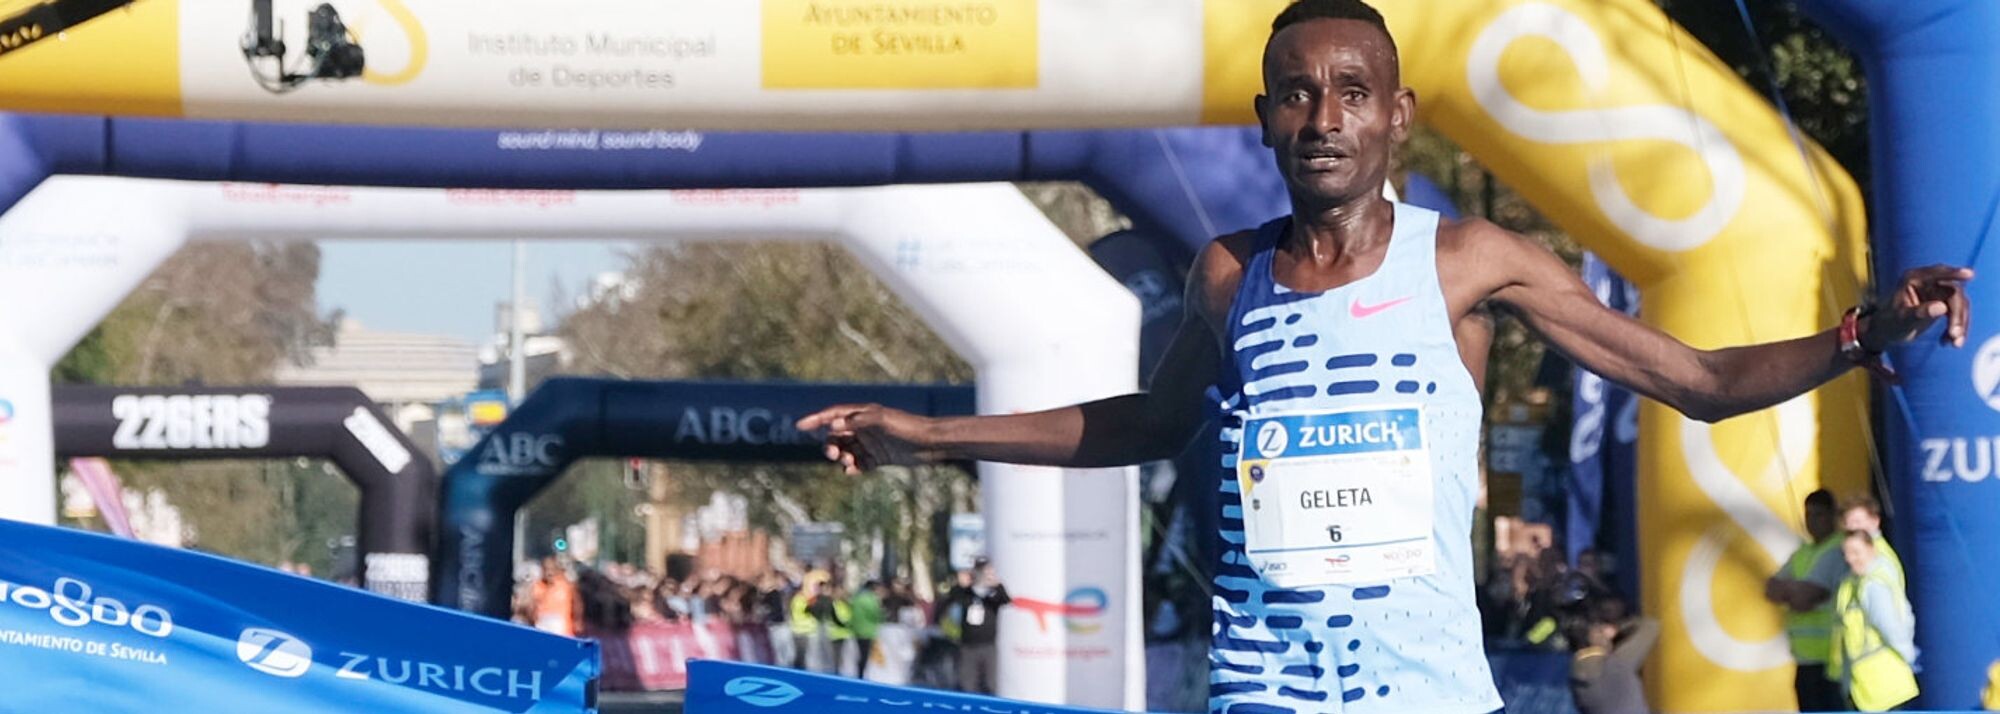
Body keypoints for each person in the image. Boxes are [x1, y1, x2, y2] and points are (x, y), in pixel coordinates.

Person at [796, 0, 1974, 709]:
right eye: (1296, 96)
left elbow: (1700, 385)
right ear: (1263, 117)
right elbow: (1146, 424)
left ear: (1396, 115)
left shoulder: (1468, 263)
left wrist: (1860, 333)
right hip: (1262, 692)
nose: (1323, 118)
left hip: (1425, 698)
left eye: (1351, 93)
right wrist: (925, 437)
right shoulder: (1226, 273)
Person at [1766, 489, 1848, 711]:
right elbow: (1770, 588)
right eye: (1808, 515)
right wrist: (1796, 591)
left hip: (1831, 659)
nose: (1812, 521)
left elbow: (1805, 596)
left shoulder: (1838, 549)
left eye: (1818, 515)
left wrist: (1791, 591)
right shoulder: (1803, 552)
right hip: (1804, 659)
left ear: (1832, 516)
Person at [1829, 530, 1920, 712]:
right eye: (1846, 553)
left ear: (1872, 549)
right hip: (1864, 688)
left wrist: (1909, 656)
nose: (1850, 559)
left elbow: (1891, 627)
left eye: (1856, 552)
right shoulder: (1850, 584)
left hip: (1885, 684)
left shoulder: (1874, 585)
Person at [1568, 612, 1661, 714]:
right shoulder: (1615, 665)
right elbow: (1650, 626)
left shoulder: (1576, 677)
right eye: (1599, 630)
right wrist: (1617, 628)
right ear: (1593, 639)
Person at [941, 560, 1010, 695]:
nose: (983, 575)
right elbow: (951, 598)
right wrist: (962, 583)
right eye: (980, 571)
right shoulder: (966, 594)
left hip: (988, 645)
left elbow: (1006, 600)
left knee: (990, 683)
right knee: (967, 683)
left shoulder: (992, 594)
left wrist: (996, 584)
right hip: (968, 645)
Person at [1841, 494, 1905, 587]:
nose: (1853, 528)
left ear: (1875, 521)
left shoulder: (1879, 554)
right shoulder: (1850, 549)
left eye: (1857, 522)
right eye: (1848, 523)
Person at [530, 556, 579, 638]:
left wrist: (576, 622)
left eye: (552, 569)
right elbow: (531, 607)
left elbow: (576, 604)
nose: (549, 573)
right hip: (542, 625)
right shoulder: (537, 587)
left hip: (563, 630)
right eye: (546, 569)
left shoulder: (565, 586)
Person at [850, 580, 886, 679]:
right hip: (868, 631)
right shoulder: (871, 599)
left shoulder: (857, 598)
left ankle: (859, 674)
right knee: (865, 656)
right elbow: (876, 614)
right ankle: (862, 676)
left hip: (857, 630)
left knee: (861, 654)